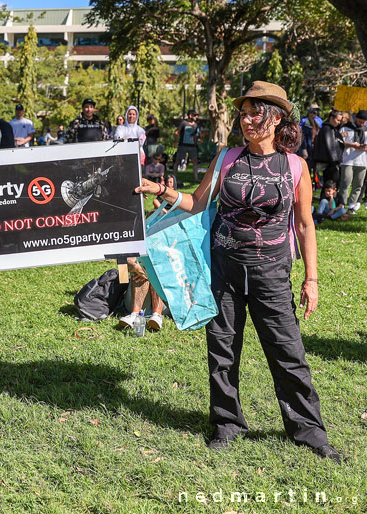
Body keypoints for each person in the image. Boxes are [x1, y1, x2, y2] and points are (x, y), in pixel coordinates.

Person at [135, 81, 341, 463]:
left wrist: (311, 279)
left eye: (254, 113)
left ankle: (309, 433)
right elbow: (196, 203)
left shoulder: (295, 166)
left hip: (272, 274)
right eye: (243, 113)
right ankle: (227, 424)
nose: (246, 120)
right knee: (223, 350)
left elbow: (305, 224)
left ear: (276, 118)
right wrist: (161, 192)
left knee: (287, 352)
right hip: (225, 271)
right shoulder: (227, 158)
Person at [118, 259, 166, 332]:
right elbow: (123, 276)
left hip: (164, 302)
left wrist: (150, 273)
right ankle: (134, 315)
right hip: (135, 300)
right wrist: (135, 267)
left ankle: (157, 315)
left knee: (159, 268)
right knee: (141, 267)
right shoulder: (126, 248)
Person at [338, 109, 367, 213]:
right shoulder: (346, 128)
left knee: (358, 184)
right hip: (348, 160)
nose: (362, 123)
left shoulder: (366, 130)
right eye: (361, 121)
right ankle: (341, 204)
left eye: (364, 121)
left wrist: (363, 147)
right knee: (345, 183)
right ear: (356, 118)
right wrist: (351, 145)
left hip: (362, 161)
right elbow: (339, 142)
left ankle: (352, 205)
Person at [312, 110, 344, 191]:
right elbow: (330, 146)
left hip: (329, 161)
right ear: (331, 118)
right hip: (329, 162)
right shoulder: (328, 129)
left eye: (340, 120)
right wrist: (334, 161)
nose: (339, 122)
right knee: (330, 184)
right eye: (338, 120)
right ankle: (326, 201)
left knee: (329, 184)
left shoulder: (330, 129)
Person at [173, 109, 201, 182]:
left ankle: (196, 178)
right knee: (178, 161)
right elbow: (176, 132)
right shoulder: (184, 123)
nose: (196, 117)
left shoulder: (196, 125)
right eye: (194, 115)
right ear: (190, 115)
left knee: (194, 161)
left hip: (192, 146)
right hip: (183, 145)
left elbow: (196, 135)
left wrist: (196, 142)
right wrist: (176, 142)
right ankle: (174, 177)